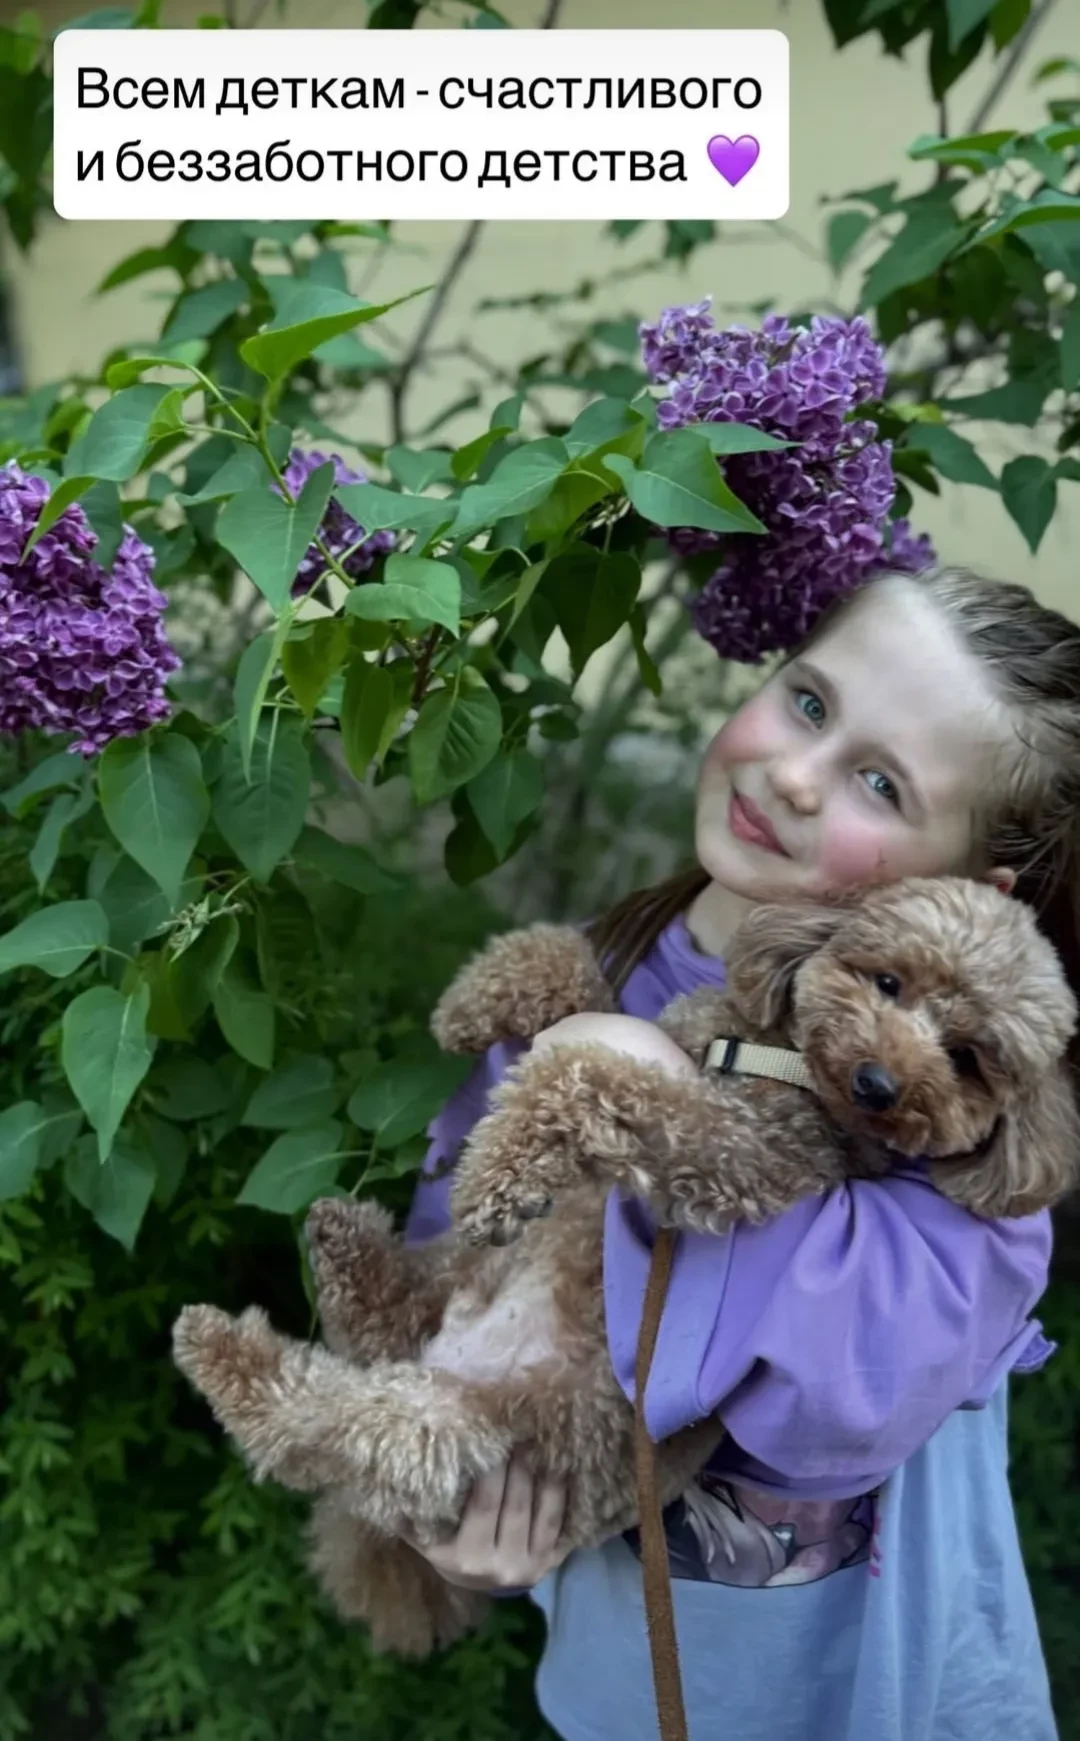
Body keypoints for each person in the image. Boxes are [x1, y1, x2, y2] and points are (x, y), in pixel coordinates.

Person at [402, 564, 1080, 1741]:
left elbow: (848, 1395)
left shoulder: (969, 1113)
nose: (796, 774)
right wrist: (454, 1500)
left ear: (977, 888)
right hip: (637, 1683)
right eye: (808, 703)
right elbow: (460, 1269)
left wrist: (654, 1098)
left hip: (887, 1694)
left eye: (880, 782)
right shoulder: (591, 979)